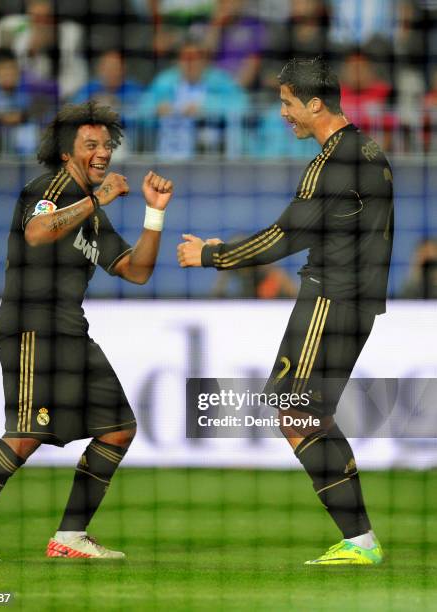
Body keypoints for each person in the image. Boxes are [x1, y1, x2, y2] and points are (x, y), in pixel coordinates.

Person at [177, 57, 394, 565]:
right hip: (356, 299)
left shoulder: (332, 161)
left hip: (330, 299)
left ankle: (360, 540)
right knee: (302, 409)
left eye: (287, 103)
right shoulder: (368, 149)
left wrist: (211, 256)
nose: (283, 114)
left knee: (295, 408)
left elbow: (284, 234)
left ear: (314, 103)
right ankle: (359, 539)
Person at [0, 101, 174, 561]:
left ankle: (70, 537)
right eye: (91, 144)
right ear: (67, 152)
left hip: (72, 332)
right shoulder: (50, 187)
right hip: (32, 328)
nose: (103, 152)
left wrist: (154, 215)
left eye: (107, 144)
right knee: (26, 434)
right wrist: (98, 198)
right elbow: (36, 231)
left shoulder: (92, 212)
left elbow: (136, 270)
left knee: (118, 429)